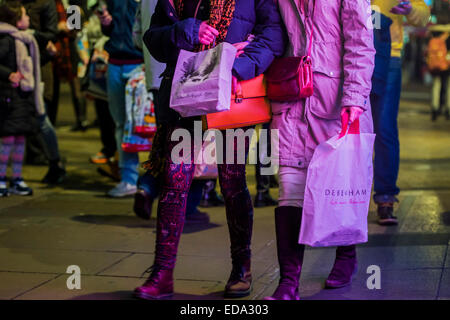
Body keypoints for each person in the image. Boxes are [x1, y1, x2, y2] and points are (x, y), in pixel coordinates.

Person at [133, 0, 285, 300]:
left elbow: (273, 34)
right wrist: (186, 29)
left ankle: (241, 268)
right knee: (174, 180)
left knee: (232, 183)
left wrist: (238, 68)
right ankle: (162, 274)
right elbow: (153, 39)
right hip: (186, 92)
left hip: (231, 97)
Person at [265, 0, 375, 300]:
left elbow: (361, 41)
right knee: (289, 188)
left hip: (336, 101)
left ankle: (346, 253)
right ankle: (288, 283)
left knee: (342, 184)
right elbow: (271, 32)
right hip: (292, 96)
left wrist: (354, 97)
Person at [131, 0, 210, 224]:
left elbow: (137, 36)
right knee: (195, 146)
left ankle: (147, 188)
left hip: (158, 78)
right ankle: (186, 206)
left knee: (167, 143)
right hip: (189, 75)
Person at [371, 0, 430, 225]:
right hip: (346, 53)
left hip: (388, 57)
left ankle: (385, 198)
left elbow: (423, 14)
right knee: (346, 129)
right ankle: (344, 197)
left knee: (384, 127)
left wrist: (410, 10)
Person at [98, 0, 144, 198]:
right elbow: (109, 30)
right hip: (116, 63)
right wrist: (106, 23)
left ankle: (158, 178)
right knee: (121, 124)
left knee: (148, 123)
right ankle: (128, 179)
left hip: (140, 63)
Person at [20, 0, 67, 185]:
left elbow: (71, 28)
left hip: (53, 57)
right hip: (31, 60)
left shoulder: (66, 4)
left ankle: (53, 161)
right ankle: (36, 154)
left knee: (43, 114)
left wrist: (69, 28)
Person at [0, 0, 42, 197]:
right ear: (16, 20)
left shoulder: (24, 39)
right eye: (25, 16)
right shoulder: (7, 40)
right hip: (9, 98)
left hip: (21, 97)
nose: (28, 19)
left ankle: (17, 177)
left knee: (19, 138)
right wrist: (8, 73)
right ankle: (1, 178)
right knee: (8, 139)